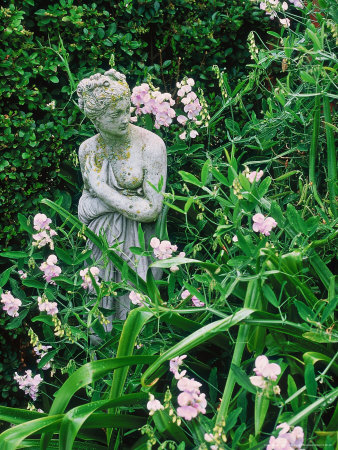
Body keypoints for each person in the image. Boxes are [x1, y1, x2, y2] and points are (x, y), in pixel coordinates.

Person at [77, 69, 166, 322]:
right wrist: (121, 203)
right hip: (100, 243)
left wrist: (104, 192)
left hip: (138, 243)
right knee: (99, 320)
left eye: (126, 109)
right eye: (115, 114)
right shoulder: (88, 149)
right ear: (96, 119)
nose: (125, 118)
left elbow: (151, 209)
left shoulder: (151, 145)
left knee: (136, 315)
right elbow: (83, 209)